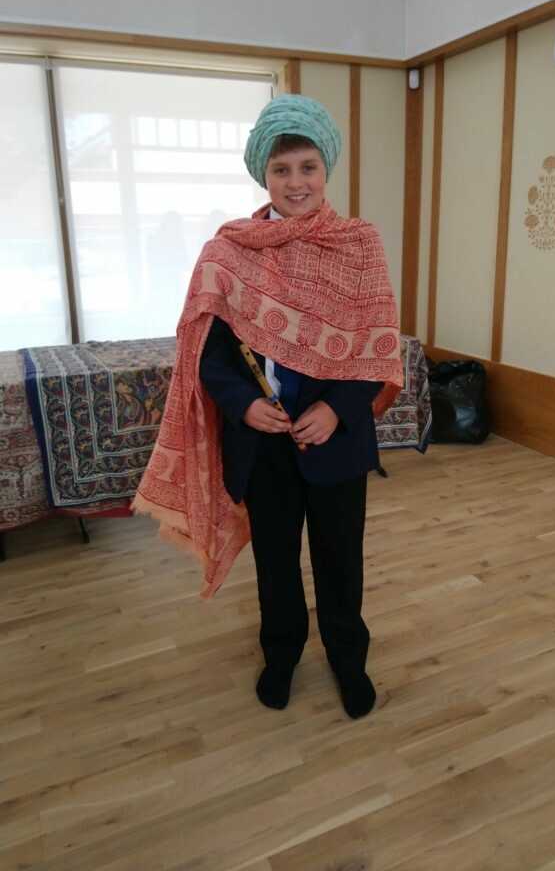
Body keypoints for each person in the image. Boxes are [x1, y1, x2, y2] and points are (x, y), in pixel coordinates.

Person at [133, 94, 403, 719]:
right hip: (263, 445)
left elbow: (376, 347)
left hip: (336, 442)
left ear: (326, 169)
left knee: (341, 560)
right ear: (264, 174)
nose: (295, 182)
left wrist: (337, 410)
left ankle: (348, 658)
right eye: (282, 170)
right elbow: (208, 353)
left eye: (308, 167)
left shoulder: (359, 246)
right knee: (276, 562)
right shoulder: (230, 252)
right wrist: (243, 404)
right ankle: (281, 653)